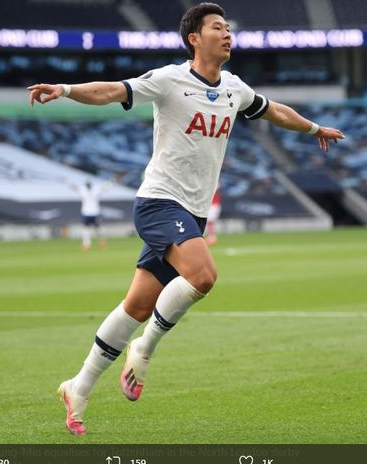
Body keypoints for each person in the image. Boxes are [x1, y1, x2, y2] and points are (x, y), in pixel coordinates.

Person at [27, 2, 344, 436]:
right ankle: (144, 350)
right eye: (218, 27)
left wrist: (314, 129)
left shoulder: (234, 88)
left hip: (191, 214)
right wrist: (64, 89)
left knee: (137, 305)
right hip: (159, 202)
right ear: (195, 38)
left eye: (229, 27)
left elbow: (275, 111)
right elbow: (111, 91)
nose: (227, 33)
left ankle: (77, 387)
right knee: (203, 275)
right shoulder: (169, 80)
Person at [66, 179, 111, 250]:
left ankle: (102, 242)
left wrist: (112, 182)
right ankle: (86, 244)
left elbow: (105, 188)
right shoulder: (82, 190)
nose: (88, 186)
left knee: (99, 229)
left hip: (95, 212)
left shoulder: (96, 189)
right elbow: (74, 187)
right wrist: (67, 182)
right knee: (86, 229)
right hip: (86, 212)